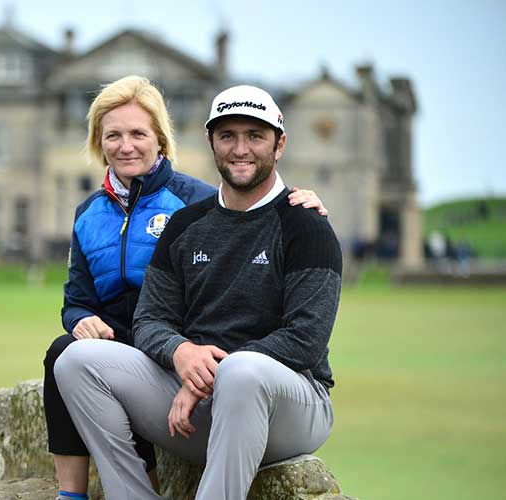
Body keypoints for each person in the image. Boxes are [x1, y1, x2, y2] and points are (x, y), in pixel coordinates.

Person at [42, 76, 329, 500]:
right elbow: (142, 315)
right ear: (211, 143)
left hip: (275, 391)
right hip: (181, 367)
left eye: (255, 136)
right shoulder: (182, 223)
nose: (240, 148)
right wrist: (175, 352)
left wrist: (201, 374)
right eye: (227, 137)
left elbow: (305, 338)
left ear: (279, 144)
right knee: (69, 358)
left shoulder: (298, 221)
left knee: (241, 372)